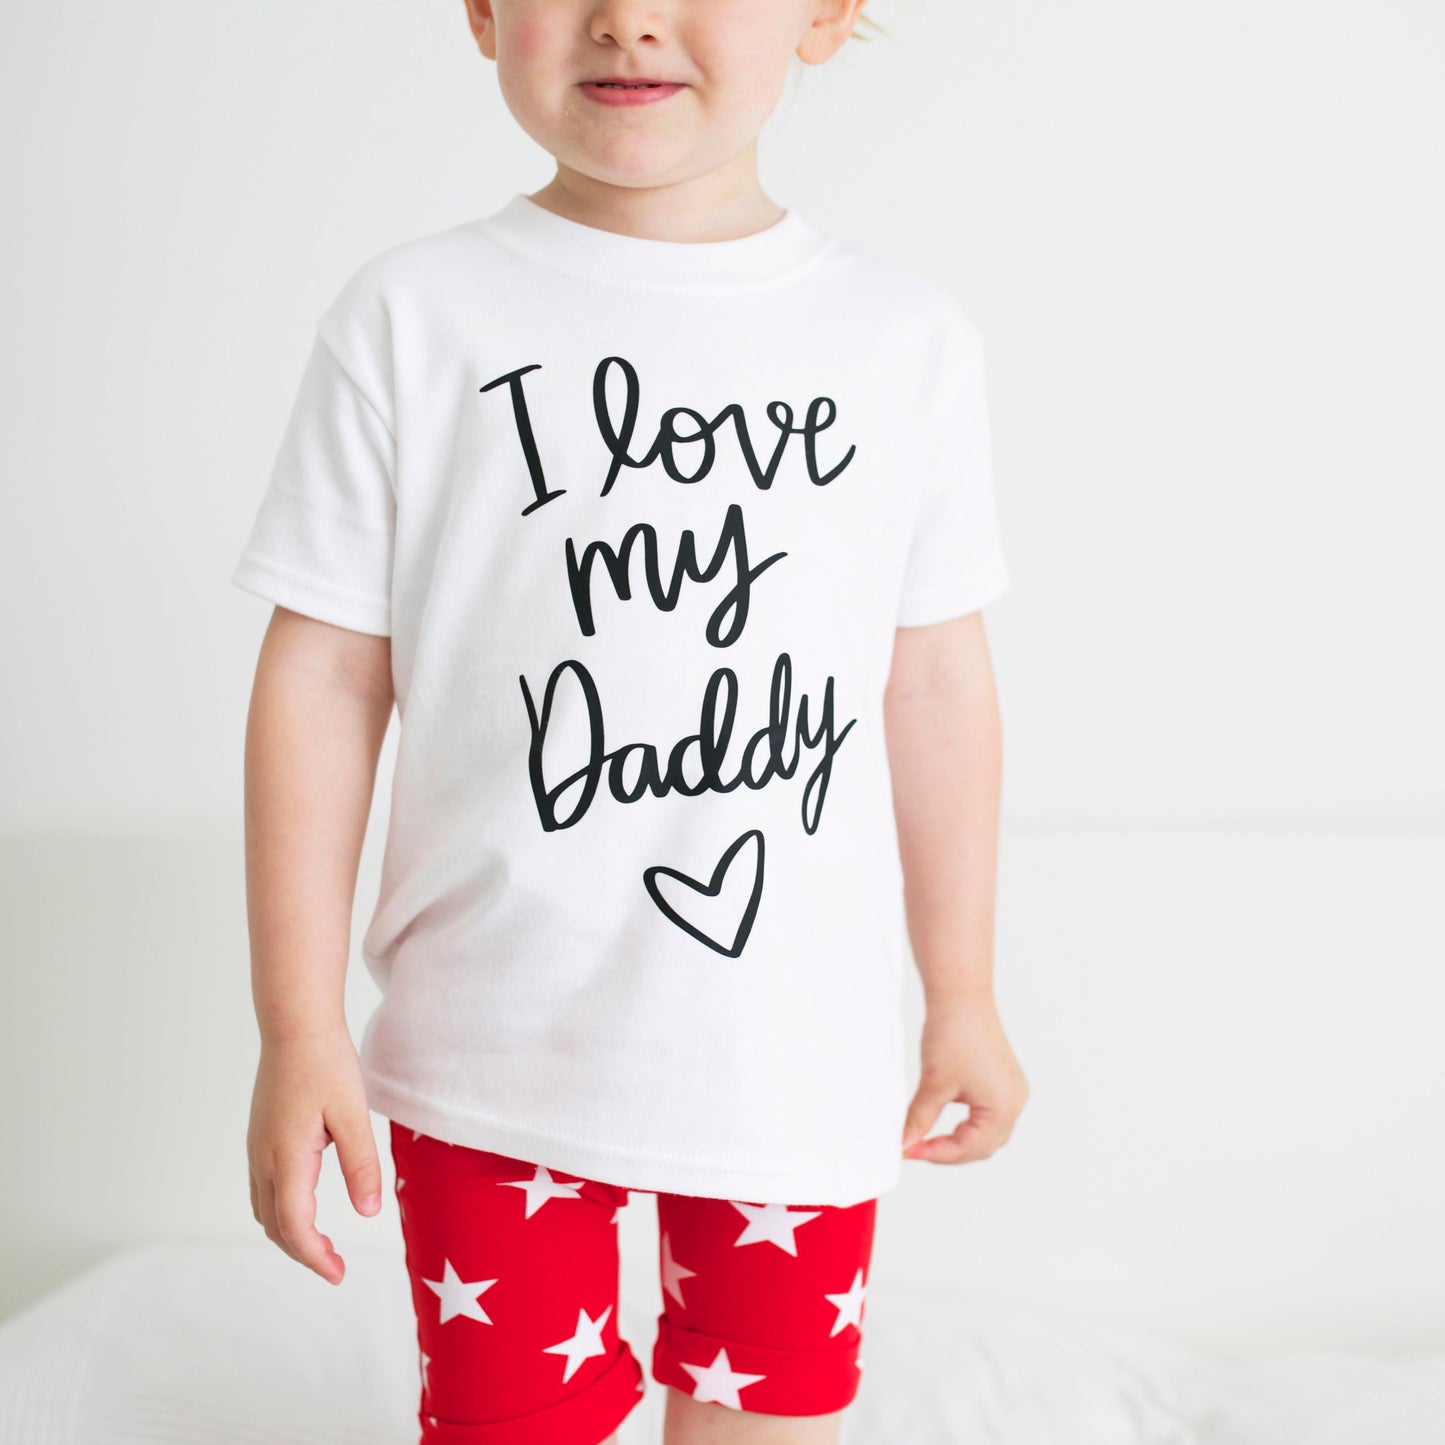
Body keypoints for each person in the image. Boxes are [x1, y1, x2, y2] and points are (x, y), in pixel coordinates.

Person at [232, 2, 1030, 1441]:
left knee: (766, 1416)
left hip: (796, 1048)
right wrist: (297, 1025)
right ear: (483, 12)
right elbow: (325, 678)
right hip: (489, 1045)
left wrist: (961, 992)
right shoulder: (414, 317)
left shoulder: (902, 342)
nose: (629, 19)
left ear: (826, 16)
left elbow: (933, 685)